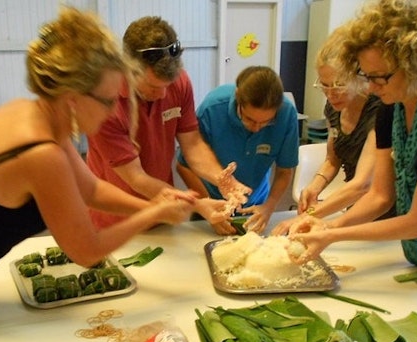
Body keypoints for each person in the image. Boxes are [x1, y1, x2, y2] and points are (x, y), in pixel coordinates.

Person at [288, 0, 417, 280]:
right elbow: (380, 196)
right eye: (367, 76)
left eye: (381, 77)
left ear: (416, 65)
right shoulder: (391, 109)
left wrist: (333, 234)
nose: (372, 87)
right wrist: (327, 226)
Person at [0, 7, 198, 273]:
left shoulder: (38, 115)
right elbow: (86, 251)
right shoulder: (41, 153)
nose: (114, 110)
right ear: (73, 98)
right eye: (108, 100)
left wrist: (157, 206)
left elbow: (91, 191)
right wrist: (153, 213)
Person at [86, 16, 250, 229]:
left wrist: (222, 179)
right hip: (117, 217)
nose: (163, 94)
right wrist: (196, 205)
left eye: (168, 85)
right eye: (153, 87)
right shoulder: (105, 103)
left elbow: (192, 145)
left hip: (165, 208)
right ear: (127, 70)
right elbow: (136, 178)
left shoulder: (180, 81)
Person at [272, 26, 393, 236]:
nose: (331, 94)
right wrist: (315, 185)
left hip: (386, 210)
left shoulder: (380, 111)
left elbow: (363, 184)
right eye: (324, 85)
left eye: (338, 85)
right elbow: (332, 159)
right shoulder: (334, 108)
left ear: (361, 76)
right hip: (355, 206)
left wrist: (306, 216)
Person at [176, 66, 299, 235]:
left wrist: (269, 206)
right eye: (249, 119)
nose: (256, 128)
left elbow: (285, 171)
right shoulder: (212, 109)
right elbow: (183, 166)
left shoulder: (287, 114)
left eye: (266, 122)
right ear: (237, 99)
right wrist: (209, 206)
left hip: (255, 204)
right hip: (209, 200)